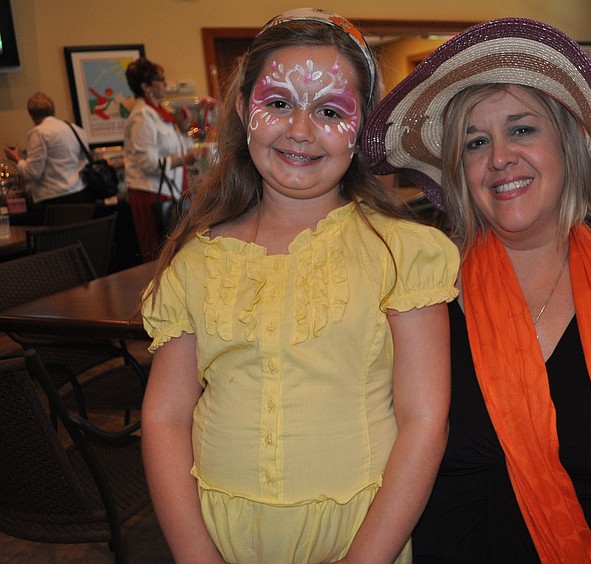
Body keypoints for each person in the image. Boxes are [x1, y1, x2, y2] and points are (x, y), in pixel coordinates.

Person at [364, 17, 591, 562]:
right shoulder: (422, 300)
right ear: (461, 172)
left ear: (569, 142)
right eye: (476, 142)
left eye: (522, 129)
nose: (500, 157)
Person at [140, 8, 458, 563]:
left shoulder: (402, 254)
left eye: (330, 110)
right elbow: (165, 418)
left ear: (362, 129)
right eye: (279, 103)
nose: (300, 130)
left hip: (362, 543)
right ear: (243, 110)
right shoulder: (197, 260)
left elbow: (424, 422)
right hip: (219, 544)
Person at [123, 57, 200, 261]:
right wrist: (184, 159)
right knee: (159, 256)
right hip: (152, 195)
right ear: (146, 86)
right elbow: (147, 164)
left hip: (171, 193)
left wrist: (183, 131)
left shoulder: (161, 114)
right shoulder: (143, 117)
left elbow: (178, 150)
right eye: (160, 79)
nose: (165, 84)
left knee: (178, 255)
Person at [4, 92, 94, 223]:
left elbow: (32, 173)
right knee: (77, 236)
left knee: (58, 240)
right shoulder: (75, 128)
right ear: (52, 109)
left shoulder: (39, 133)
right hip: (80, 193)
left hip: (55, 199)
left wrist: (17, 158)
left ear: (31, 114)